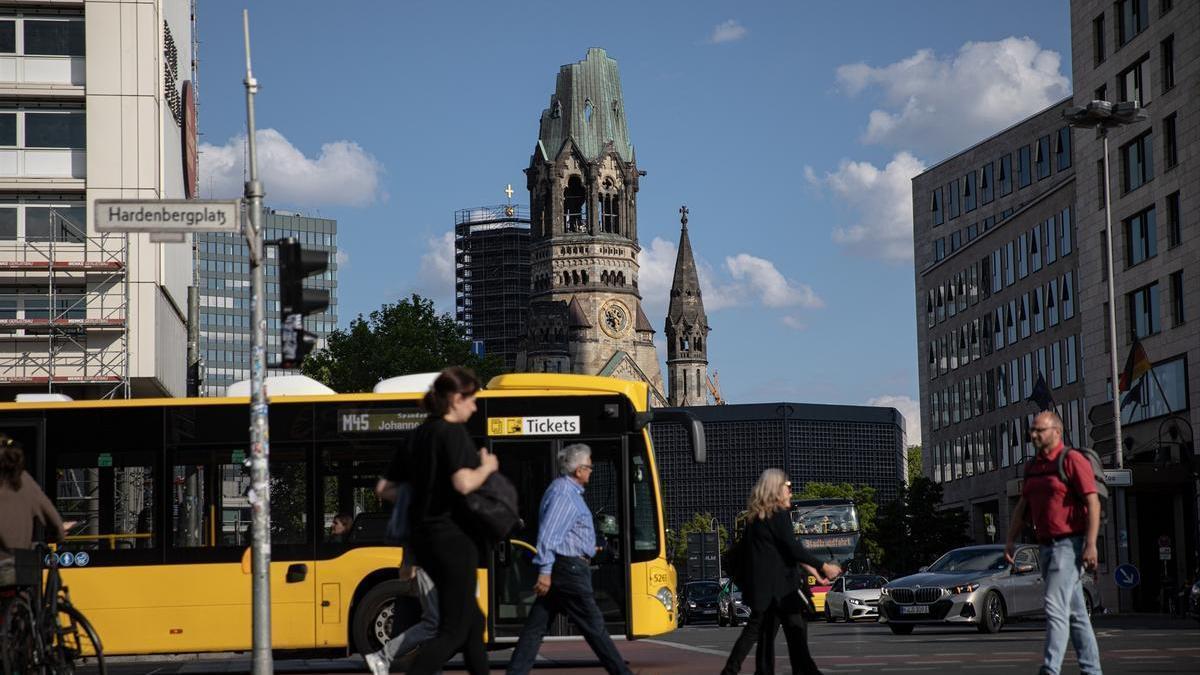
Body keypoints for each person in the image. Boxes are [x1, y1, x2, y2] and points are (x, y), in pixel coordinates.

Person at [401, 367, 498, 675]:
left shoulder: (421, 434)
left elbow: (389, 488)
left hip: (432, 540)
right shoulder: (450, 432)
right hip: (452, 541)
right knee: (453, 631)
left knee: (472, 624)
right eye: (472, 399)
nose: (475, 406)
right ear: (456, 399)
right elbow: (463, 484)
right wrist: (486, 467)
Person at [506, 443, 631, 675]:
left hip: (566, 567)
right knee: (595, 628)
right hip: (569, 570)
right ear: (578, 470)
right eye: (589, 466)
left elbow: (563, 532)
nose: (591, 470)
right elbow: (550, 534)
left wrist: (587, 545)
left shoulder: (566, 491)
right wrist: (545, 571)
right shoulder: (564, 493)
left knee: (535, 629)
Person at [1005, 410, 1102, 675]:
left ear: (1056, 432)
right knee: (1076, 614)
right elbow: (1023, 506)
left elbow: (1092, 502)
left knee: (1054, 605)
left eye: (1040, 430)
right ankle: (1092, 671)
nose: (1034, 434)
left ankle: (1050, 669)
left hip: (1069, 545)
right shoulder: (1033, 466)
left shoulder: (1071, 460)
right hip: (1045, 547)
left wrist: (1091, 544)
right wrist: (1011, 539)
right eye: (1032, 430)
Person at [734, 469, 839, 675]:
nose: (791, 492)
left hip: (774, 591)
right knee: (795, 640)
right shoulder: (778, 517)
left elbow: (790, 550)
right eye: (788, 487)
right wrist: (823, 567)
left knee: (768, 640)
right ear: (776, 489)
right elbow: (792, 549)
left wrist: (815, 572)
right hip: (783, 591)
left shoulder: (755, 520)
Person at [0, 434, 65, 586]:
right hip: (20, 567)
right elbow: (54, 520)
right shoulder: (26, 482)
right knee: (25, 598)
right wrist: (57, 535)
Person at [363, 562, 440, 675]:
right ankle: (382, 656)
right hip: (430, 568)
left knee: (438, 627)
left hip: (439, 570)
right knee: (433, 625)